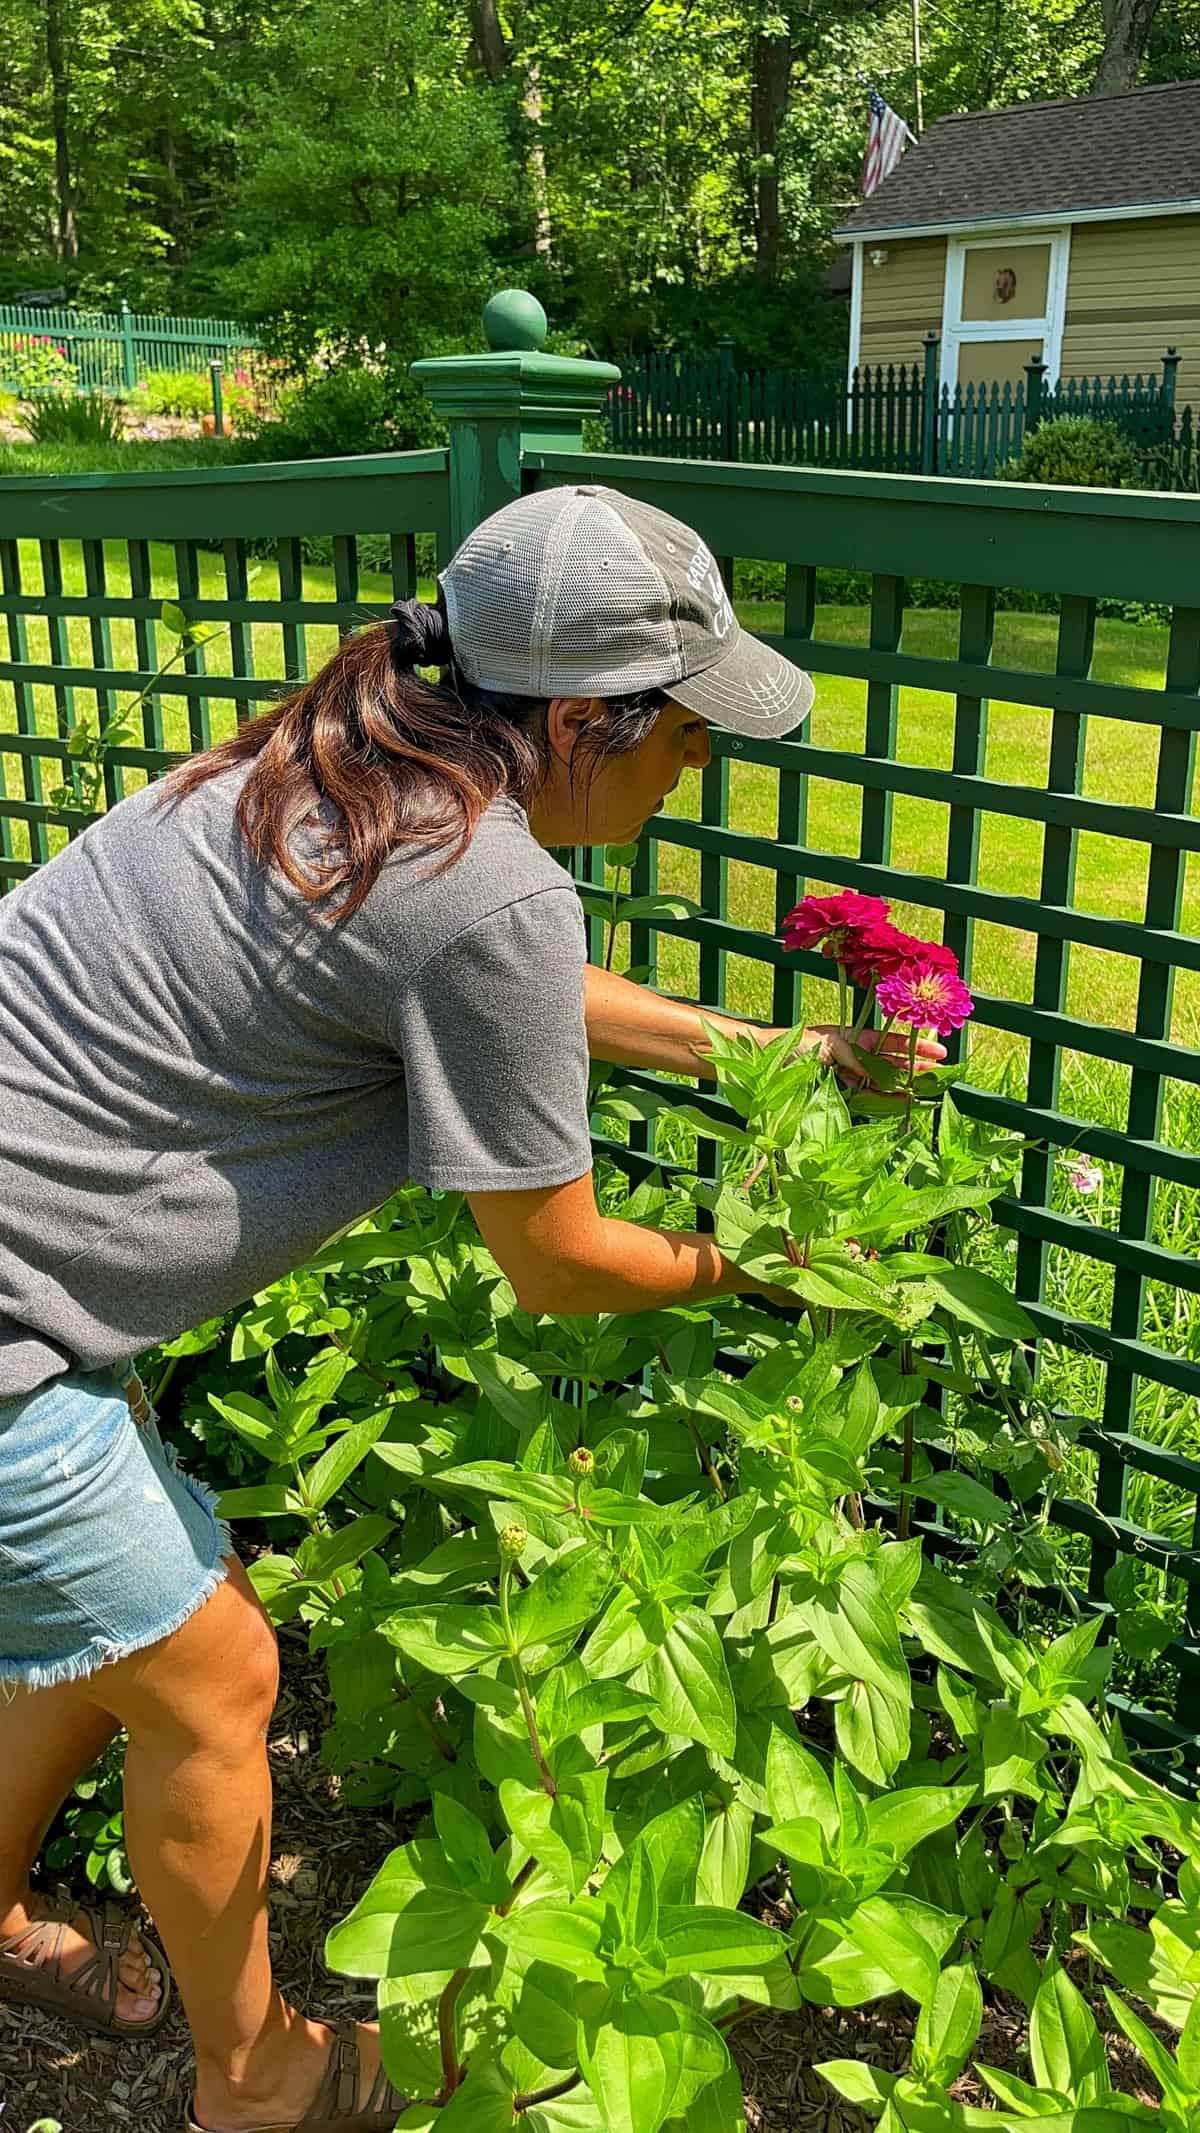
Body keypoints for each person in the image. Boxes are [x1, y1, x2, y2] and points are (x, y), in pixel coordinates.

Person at [0, 484, 940, 2132]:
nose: (696, 765)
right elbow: (559, 1263)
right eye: (684, 732)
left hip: (37, 1281)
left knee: (125, 1623)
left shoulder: (342, 761)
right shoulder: (487, 886)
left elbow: (492, 987)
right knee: (213, 1673)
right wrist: (773, 1269)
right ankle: (261, 2079)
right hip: (13, 1329)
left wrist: (768, 1050)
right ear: (582, 720)